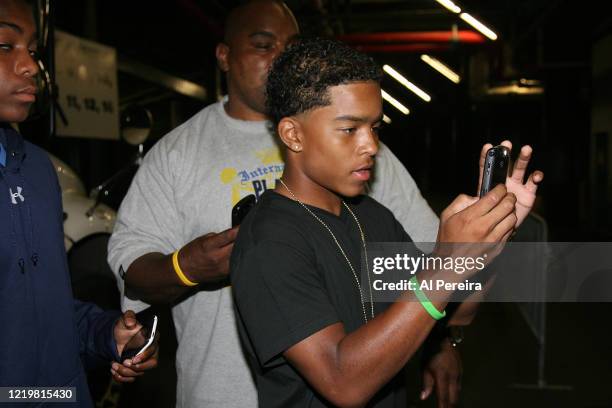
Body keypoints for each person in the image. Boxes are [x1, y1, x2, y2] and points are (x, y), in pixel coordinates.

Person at [230, 37, 543, 408]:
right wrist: (444, 267)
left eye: (375, 128)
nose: (372, 146)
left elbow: (453, 316)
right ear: (293, 135)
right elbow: (342, 381)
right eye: (350, 129)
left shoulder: (371, 216)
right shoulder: (269, 243)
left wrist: (487, 243)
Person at [0, 0, 158, 405]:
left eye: (33, 51)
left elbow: (42, 313)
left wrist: (107, 334)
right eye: (5, 46)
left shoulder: (38, 170)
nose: (30, 67)